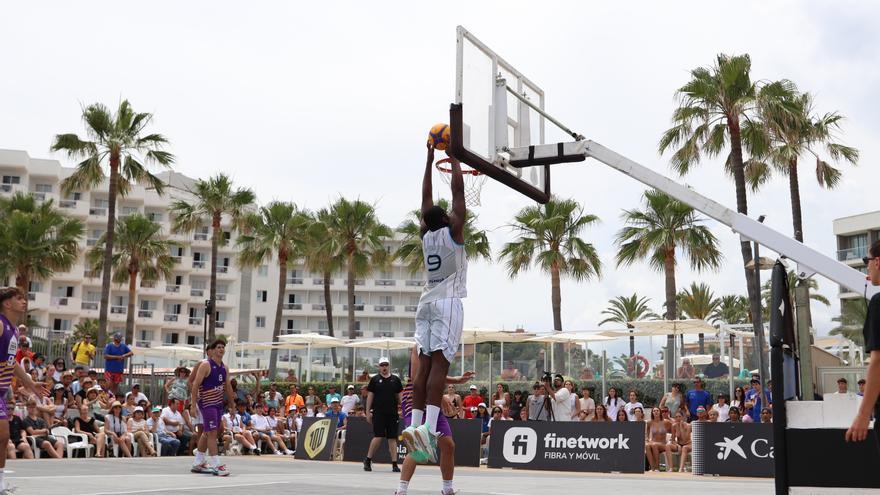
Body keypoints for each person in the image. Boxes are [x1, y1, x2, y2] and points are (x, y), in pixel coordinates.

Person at [404, 143, 467, 472]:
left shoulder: (425, 234)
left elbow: (425, 201)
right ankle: (427, 432)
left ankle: (415, 426)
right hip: (447, 303)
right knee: (439, 372)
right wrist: (455, 159)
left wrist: (429, 159)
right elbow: (457, 193)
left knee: (422, 372)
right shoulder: (452, 231)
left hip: (425, 303)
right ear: (446, 218)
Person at [393, 344, 473, 495]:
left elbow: (437, 375)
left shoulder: (441, 346)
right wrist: (441, 396)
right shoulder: (418, 346)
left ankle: (447, 489)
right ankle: (401, 490)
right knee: (417, 445)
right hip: (415, 399)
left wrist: (456, 380)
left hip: (433, 399)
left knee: (448, 445)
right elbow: (419, 376)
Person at [0, 288, 48, 493]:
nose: (24, 301)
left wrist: (30, 383)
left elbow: (13, 363)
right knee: (2, 434)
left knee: (3, 437)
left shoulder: (15, 330)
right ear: (7, 304)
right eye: (18, 298)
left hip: (2, 392)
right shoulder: (0, 324)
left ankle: (0, 483)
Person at [847, 240, 880, 447]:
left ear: (877, 262)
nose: (866, 265)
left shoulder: (878, 302)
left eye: (866, 260)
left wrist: (863, 414)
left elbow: (878, 362)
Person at [190, 339, 236, 476]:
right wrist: (193, 405)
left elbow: (228, 387)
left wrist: (232, 406)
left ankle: (198, 462)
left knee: (207, 432)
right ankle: (216, 464)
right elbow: (195, 385)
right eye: (219, 347)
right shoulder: (205, 365)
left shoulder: (224, 367)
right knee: (212, 433)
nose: (221, 349)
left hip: (218, 404)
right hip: (206, 403)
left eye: (223, 347)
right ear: (213, 350)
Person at [364, 356, 403, 472]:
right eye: (382, 365)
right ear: (379, 367)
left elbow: (400, 396)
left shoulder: (395, 380)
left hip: (392, 413)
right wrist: (367, 412)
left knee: (392, 438)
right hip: (378, 413)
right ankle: (368, 459)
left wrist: (405, 410)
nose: (384, 367)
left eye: (386, 365)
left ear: (389, 366)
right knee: (378, 436)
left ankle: (395, 464)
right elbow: (370, 396)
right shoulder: (375, 380)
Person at [646, 407, 670, 471]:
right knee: (647, 445)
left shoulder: (666, 422)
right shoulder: (649, 422)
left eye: (657, 410)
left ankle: (657, 467)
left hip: (663, 444)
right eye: (654, 411)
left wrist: (672, 440)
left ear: (660, 412)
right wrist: (648, 439)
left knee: (654, 445)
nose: (656, 412)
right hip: (653, 443)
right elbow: (647, 433)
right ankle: (652, 467)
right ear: (652, 413)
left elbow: (673, 428)